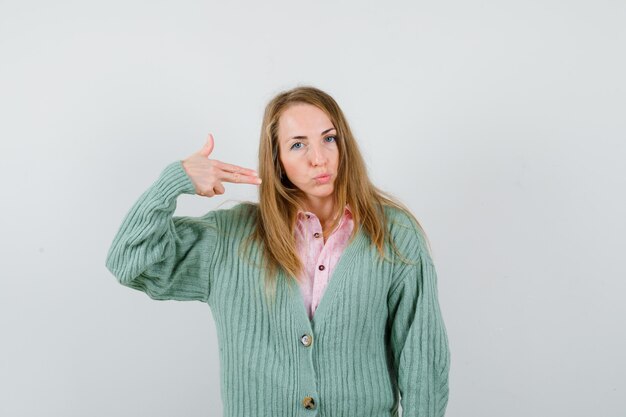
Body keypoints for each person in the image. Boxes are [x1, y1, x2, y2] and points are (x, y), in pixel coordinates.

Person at [105, 85, 451, 417]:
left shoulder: (393, 233)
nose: (319, 158)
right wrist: (175, 180)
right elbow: (129, 261)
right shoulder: (230, 237)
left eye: (329, 139)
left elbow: (422, 361)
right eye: (298, 145)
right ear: (277, 158)